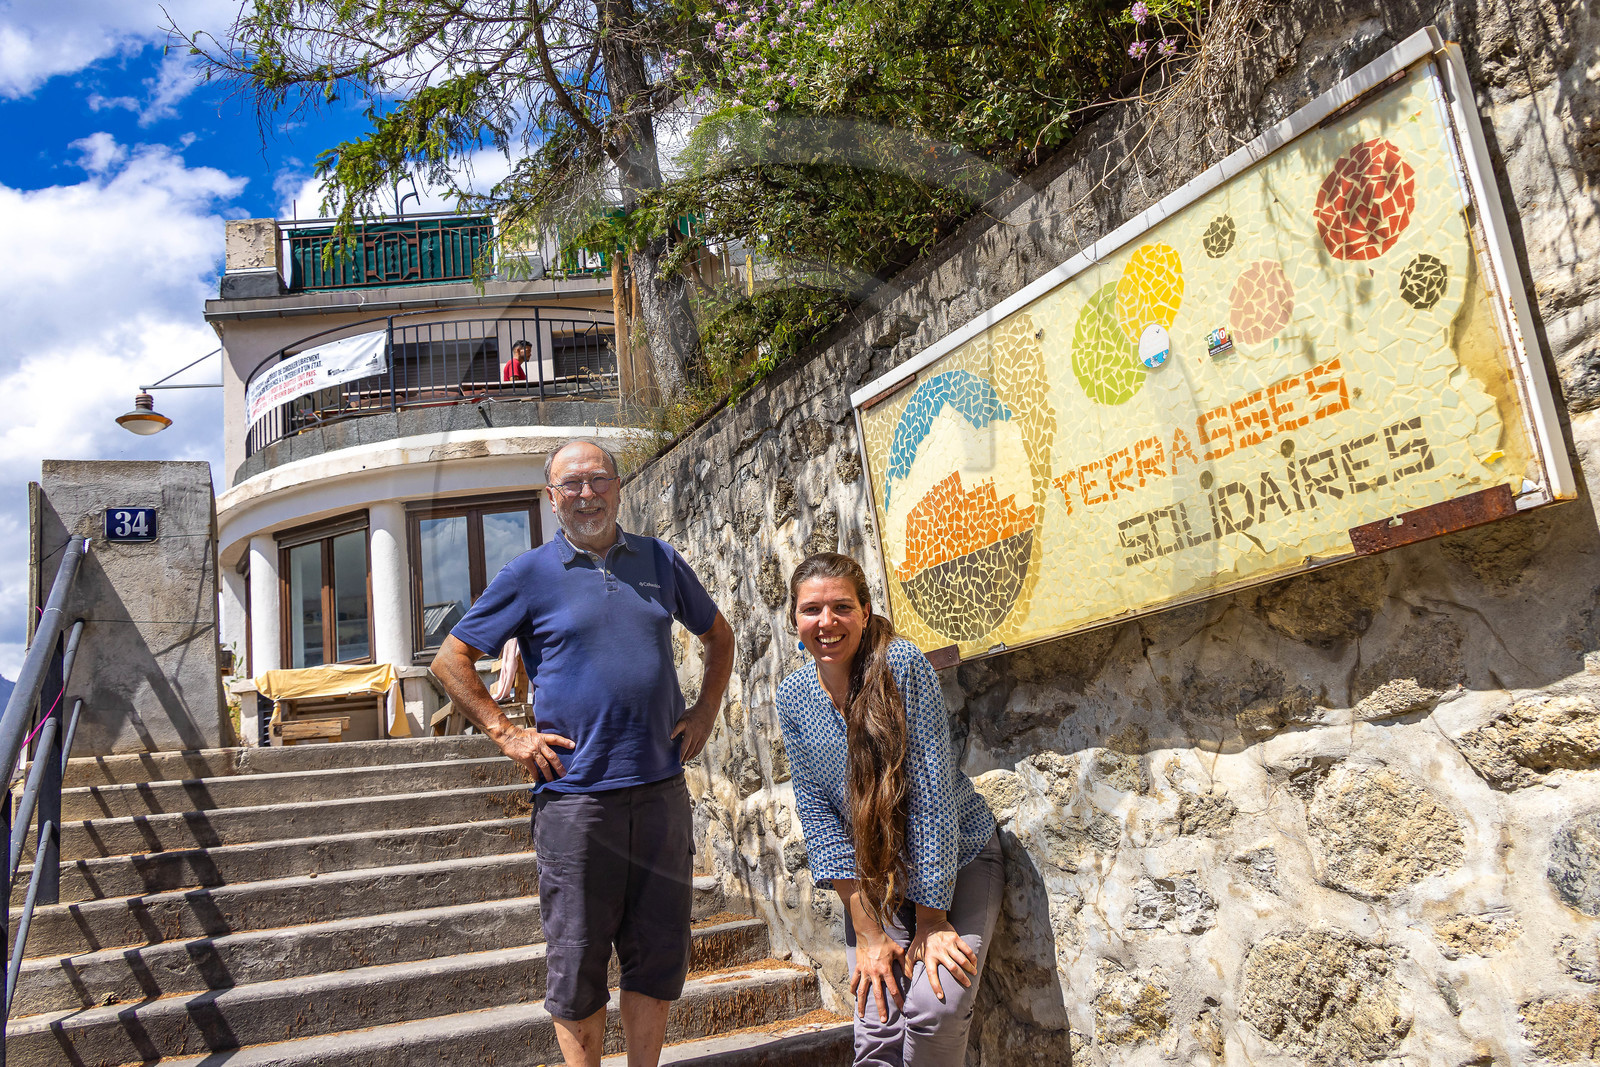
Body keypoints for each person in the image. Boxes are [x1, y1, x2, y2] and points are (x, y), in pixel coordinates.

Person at [431, 439, 735, 1067]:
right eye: (570, 485)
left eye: (598, 479)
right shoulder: (529, 574)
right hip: (575, 801)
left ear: (619, 487)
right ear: (552, 498)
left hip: (660, 793)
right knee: (577, 963)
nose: (586, 494)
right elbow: (450, 659)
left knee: (656, 956)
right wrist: (507, 734)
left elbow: (719, 635)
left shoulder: (659, 560)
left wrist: (705, 710)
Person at [776, 553, 1001, 1067]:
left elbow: (931, 798)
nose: (826, 622)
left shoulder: (901, 666)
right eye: (812, 610)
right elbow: (819, 819)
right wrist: (870, 933)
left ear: (865, 609)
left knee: (933, 1005)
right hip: (877, 878)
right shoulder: (792, 697)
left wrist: (931, 919)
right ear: (794, 620)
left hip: (958, 860)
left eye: (841, 607)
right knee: (878, 1014)